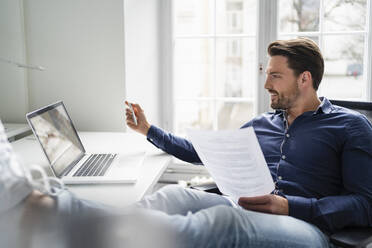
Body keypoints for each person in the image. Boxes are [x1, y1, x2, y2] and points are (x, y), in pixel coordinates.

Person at [1, 37, 371, 248]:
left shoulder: (349, 126)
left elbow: (365, 204)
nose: (266, 84)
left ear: (304, 78)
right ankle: (55, 210)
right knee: (170, 197)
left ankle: (48, 211)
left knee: (220, 222)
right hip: (245, 206)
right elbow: (201, 153)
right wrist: (149, 130)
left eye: (275, 75)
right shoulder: (262, 123)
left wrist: (293, 207)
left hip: (307, 231)